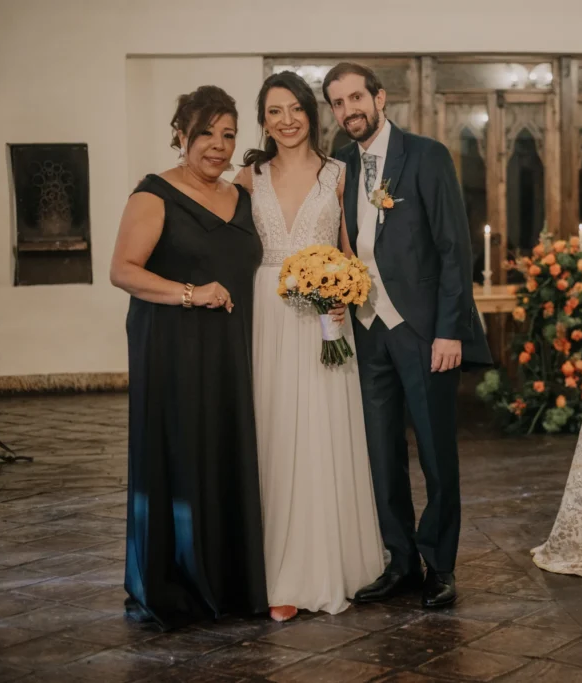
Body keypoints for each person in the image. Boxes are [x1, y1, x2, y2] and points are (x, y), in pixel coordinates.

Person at [325, 62, 492, 609]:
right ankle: (400, 561)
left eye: (356, 98)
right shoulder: (340, 165)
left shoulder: (425, 155)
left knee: (437, 455)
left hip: (423, 331)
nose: (348, 110)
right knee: (380, 453)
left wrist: (450, 331)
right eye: (337, 102)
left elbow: (454, 248)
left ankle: (439, 565)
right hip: (367, 329)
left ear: (379, 98)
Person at [110, 85, 268, 629]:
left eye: (228, 135)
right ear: (181, 134)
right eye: (206, 133)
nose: (218, 146)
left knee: (225, 450)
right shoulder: (154, 195)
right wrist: (190, 293)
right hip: (173, 347)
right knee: (182, 453)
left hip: (231, 350)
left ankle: (230, 580)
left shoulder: (241, 197)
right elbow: (123, 270)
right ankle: (178, 582)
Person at [234, 72, 384, 621]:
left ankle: (330, 565)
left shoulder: (338, 173)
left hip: (325, 318)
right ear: (263, 119)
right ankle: (279, 575)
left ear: (310, 114)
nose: (287, 120)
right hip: (266, 315)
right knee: (273, 432)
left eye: (295, 108)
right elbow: (228, 247)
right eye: (275, 111)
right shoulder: (247, 177)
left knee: (323, 434)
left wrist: (347, 293)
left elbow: (351, 250)